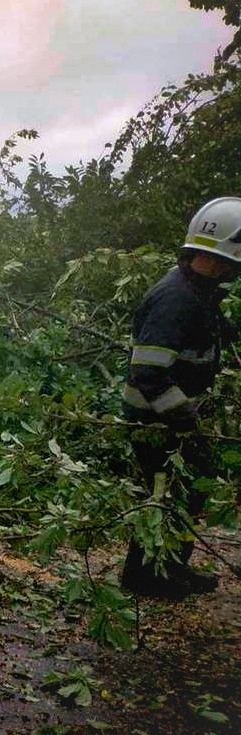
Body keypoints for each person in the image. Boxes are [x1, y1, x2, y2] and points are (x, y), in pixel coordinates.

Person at [121, 197, 241, 598]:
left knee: (187, 492)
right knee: (164, 496)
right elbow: (148, 373)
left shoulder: (197, 291)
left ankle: (171, 568)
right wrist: (185, 418)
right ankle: (145, 577)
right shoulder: (177, 299)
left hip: (175, 415)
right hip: (157, 419)